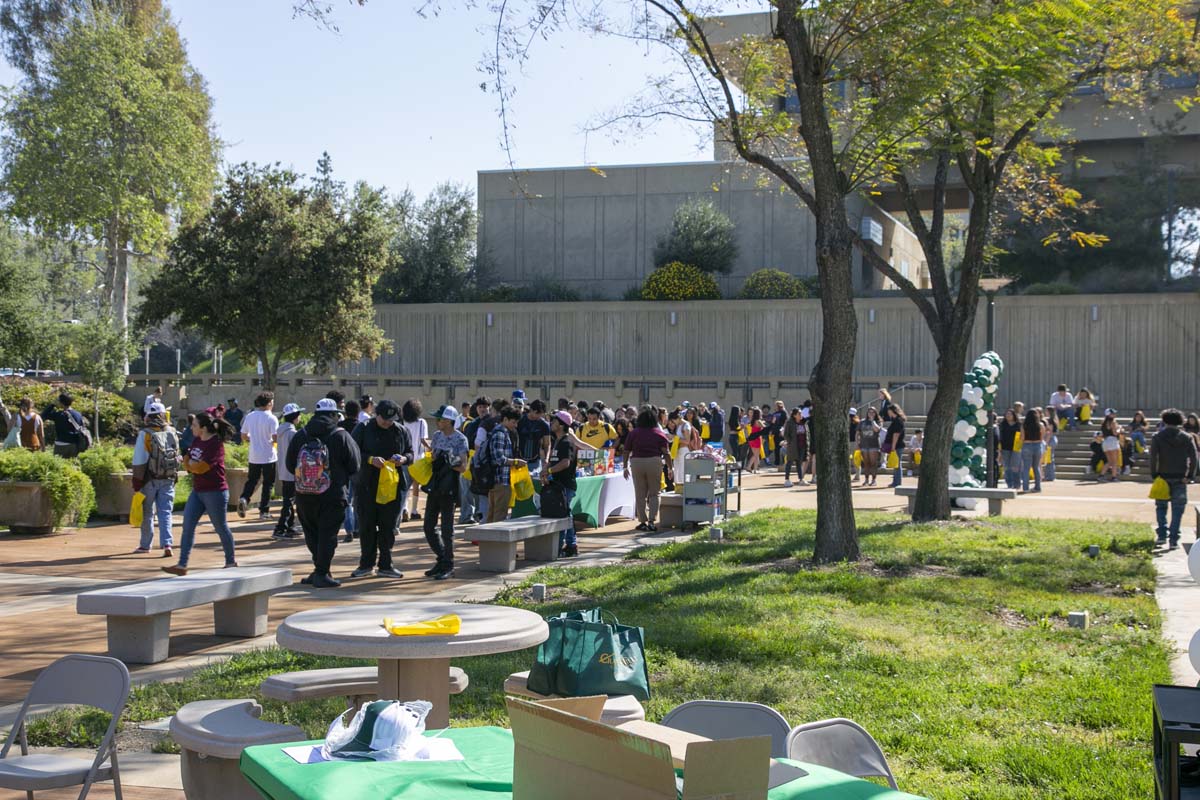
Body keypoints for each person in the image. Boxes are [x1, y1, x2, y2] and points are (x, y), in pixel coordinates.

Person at [285, 398, 361, 589]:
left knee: (312, 534)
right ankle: (321, 573)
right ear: (334, 415)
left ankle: (320, 569)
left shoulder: (301, 435)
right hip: (332, 494)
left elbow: (289, 464)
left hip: (304, 494)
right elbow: (355, 465)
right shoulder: (340, 435)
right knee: (328, 535)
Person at [163, 412, 238, 575]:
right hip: (198, 491)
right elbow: (189, 461)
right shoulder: (197, 440)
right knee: (187, 526)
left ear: (203, 428)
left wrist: (189, 464)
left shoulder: (215, 444)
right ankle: (182, 565)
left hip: (215, 492)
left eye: (195, 425)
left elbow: (201, 467)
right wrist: (189, 463)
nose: (192, 428)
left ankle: (231, 561)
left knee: (220, 527)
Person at [350, 399, 413, 580]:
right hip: (367, 485)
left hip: (392, 487)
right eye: (384, 419)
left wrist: (403, 459)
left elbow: (410, 453)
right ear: (376, 414)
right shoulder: (363, 429)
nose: (387, 423)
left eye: (391, 420)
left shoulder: (401, 431)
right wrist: (370, 460)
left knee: (388, 527)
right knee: (367, 526)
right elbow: (353, 453)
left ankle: (386, 564)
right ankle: (365, 564)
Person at [423, 405, 469, 580]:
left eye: (440, 419)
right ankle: (442, 558)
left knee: (446, 528)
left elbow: (463, 467)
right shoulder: (436, 436)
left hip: (449, 486)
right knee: (428, 526)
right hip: (435, 484)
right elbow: (433, 457)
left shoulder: (460, 439)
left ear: (449, 421)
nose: (437, 422)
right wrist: (433, 456)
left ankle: (448, 564)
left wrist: (448, 459)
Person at [131, 402, 180, 557]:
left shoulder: (145, 434)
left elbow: (139, 460)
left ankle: (146, 545)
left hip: (149, 480)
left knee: (147, 513)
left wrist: (137, 482)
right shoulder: (172, 431)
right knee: (165, 512)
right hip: (169, 478)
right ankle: (167, 543)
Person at [1151, 409, 1198, 549]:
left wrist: (1154, 474)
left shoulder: (1157, 437)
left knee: (1161, 507)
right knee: (1178, 510)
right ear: (1180, 421)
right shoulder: (1187, 437)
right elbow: (1194, 458)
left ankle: (1161, 535)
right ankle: (1173, 539)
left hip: (1163, 477)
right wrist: (1190, 476)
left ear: (1164, 420)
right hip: (1180, 477)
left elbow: (1154, 458)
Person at [622, 406, 672, 532]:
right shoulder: (659, 433)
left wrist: (624, 466)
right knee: (655, 493)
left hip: (637, 462)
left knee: (640, 494)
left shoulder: (634, 433)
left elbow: (626, 450)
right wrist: (670, 468)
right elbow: (666, 452)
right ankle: (652, 521)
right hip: (654, 462)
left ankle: (642, 521)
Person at [238, 391, 279, 521]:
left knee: (252, 480)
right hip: (269, 456)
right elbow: (275, 437)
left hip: (254, 456)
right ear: (269, 403)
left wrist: (253, 439)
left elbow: (243, 435)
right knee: (268, 484)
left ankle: (244, 498)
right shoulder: (272, 418)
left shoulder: (250, 416)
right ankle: (264, 511)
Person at [544, 410, 579, 556]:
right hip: (557, 485)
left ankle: (562, 547)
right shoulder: (557, 441)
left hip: (565, 485)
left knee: (563, 515)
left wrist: (549, 471)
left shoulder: (566, 442)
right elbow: (554, 461)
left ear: (562, 424)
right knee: (565, 514)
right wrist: (546, 470)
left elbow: (565, 463)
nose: (551, 423)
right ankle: (571, 545)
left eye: (554, 421)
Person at [483, 407, 525, 523]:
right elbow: (499, 459)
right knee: (499, 515)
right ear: (505, 419)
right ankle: (497, 540)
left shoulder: (499, 432)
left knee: (492, 514)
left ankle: (489, 540)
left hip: (497, 480)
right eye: (514, 422)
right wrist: (516, 462)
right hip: (501, 480)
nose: (515, 425)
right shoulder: (500, 434)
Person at [273, 403, 303, 539]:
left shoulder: (281, 431)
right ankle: (280, 528)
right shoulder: (292, 433)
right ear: (295, 416)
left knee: (289, 499)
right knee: (288, 501)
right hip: (292, 471)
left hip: (283, 470)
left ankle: (290, 526)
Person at [401, 399, 430, 523]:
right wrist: (431, 448)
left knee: (404, 486)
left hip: (405, 458)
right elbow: (423, 440)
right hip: (418, 458)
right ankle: (414, 511)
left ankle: (404, 509)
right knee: (416, 485)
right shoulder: (422, 422)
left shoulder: (402, 422)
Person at [339, 400, 361, 543]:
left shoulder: (339, 427)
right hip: (358, 467)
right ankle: (358, 528)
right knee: (358, 500)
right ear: (358, 413)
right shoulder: (361, 427)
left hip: (342, 468)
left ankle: (349, 530)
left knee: (347, 501)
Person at [517, 399, 552, 484]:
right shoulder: (520, 420)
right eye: (538, 414)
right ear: (532, 410)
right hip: (519, 460)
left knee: (534, 486)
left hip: (535, 461)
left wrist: (546, 459)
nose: (540, 416)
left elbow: (547, 444)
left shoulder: (544, 425)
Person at [42, 392, 87, 458]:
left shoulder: (59, 415)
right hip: (74, 444)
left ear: (61, 403)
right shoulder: (78, 414)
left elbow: (44, 415)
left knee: (59, 466)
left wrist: (53, 404)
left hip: (61, 444)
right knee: (73, 465)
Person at [1018, 409, 1044, 493]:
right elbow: (1042, 437)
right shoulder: (1040, 425)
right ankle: (1038, 487)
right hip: (1037, 445)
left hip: (1027, 445)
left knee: (1026, 468)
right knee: (1036, 467)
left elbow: (1022, 438)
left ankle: (1025, 488)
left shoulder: (1024, 425)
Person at [857, 407, 882, 486]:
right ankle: (866, 479)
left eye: (873, 412)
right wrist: (857, 443)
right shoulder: (862, 422)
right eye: (869, 412)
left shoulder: (878, 421)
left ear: (875, 413)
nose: (871, 414)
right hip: (864, 445)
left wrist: (872, 421)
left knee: (873, 463)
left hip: (874, 445)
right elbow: (857, 433)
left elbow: (877, 430)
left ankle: (874, 480)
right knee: (866, 463)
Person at [783, 407, 807, 487]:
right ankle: (787, 479)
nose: (801, 415)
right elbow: (786, 434)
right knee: (789, 462)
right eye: (799, 414)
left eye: (801, 413)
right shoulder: (789, 422)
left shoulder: (803, 422)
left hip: (802, 445)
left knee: (799, 463)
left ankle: (801, 479)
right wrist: (790, 442)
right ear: (794, 415)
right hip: (793, 446)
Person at [998, 409, 1022, 489]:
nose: (1008, 415)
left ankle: (1017, 483)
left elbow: (1022, 435)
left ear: (1014, 415)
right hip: (1005, 448)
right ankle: (1009, 484)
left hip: (1016, 447)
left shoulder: (1018, 424)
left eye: (1010, 414)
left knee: (1015, 466)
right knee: (1007, 466)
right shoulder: (1002, 424)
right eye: (1007, 414)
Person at [884, 405, 907, 488]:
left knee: (897, 464)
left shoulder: (898, 421)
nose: (888, 412)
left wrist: (893, 446)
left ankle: (897, 482)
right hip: (897, 445)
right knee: (896, 464)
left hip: (897, 445)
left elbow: (896, 435)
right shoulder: (896, 420)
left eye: (889, 411)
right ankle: (895, 481)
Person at [1100, 412, 1122, 482]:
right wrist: (1119, 429)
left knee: (1109, 461)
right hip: (1112, 441)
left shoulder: (1103, 422)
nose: (1114, 414)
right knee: (1114, 462)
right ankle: (1114, 477)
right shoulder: (1113, 422)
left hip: (1105, 441)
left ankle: (1101, 476)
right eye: (1112, 413)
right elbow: (1115, 433)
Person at [1041, 408, 1058, 482]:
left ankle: (1049, 476)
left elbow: (1049, 432)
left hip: (1050, 439)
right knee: (1050, 458)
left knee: (1049, 458)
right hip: (1053, 439)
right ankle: (1050, 475)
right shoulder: (1055, 419)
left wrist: (1046, 442)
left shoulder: (1049, 420)